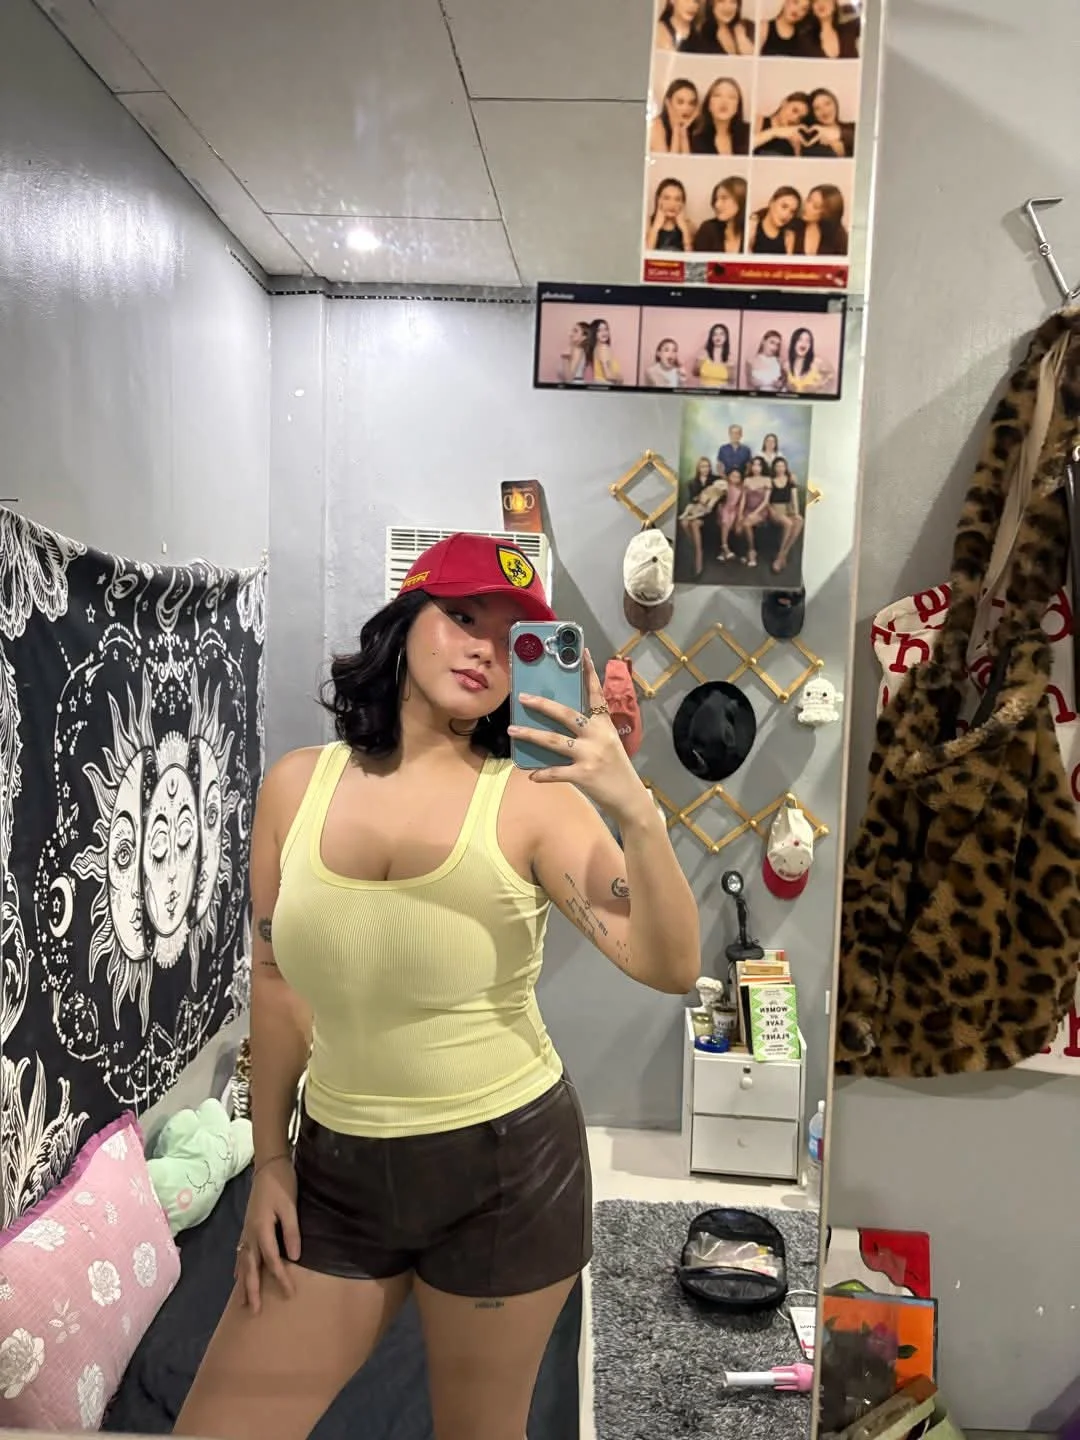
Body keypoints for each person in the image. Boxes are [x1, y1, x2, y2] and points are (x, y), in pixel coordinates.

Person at [174, 533, 701, 1440]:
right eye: (461, 617)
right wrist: (269, 1163)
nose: (483, 650)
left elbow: (669, 963)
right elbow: (275, 980)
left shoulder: (535, 801)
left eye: (509, 639)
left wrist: (635, 811)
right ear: (404, 621)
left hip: (505, 1173)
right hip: (335, 1171)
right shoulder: (296, 788)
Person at [689, 77, 750, 156]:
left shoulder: (747, 133)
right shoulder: (695, 135)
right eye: (717, 95)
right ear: (709, 104)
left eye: (731, 97)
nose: (724, 101)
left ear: (737, 107)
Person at [692, 176, 747, 254]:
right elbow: (696, 261)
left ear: (741, 200)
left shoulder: (749, 230)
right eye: (716, 199)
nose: (717, 205)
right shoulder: (708, 229)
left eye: (724, 198)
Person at [768, 457, 804, 573]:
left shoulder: (790, 480)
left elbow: (794, 498)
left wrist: (796, 513)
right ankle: (780, 557)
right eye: (777, 466)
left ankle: (783, 553)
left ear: (786, 467)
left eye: (782, 466)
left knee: (799, 521)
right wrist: (771, 510)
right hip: (775, 509)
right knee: (788, 523)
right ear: (774, 468)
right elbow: (766, 500)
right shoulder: (771, 481)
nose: (780, 468)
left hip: (788, 508)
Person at [794, 184, 849, 256]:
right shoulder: (794, 228)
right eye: (808, 200)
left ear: (827, 214)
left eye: (815, 206)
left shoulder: (839, 238)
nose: (807, 206)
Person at [737, 458, 773, 569]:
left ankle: (751, 551)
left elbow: (766, 501)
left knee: (746, 524)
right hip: (747, 509)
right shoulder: (747, 480)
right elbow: (743, 499)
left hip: (761, 511)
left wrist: (755, 513)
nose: (756, 468)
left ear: (762, 467)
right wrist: (740, 514)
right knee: (739, 526)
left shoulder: (767, 480)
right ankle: (743, 551)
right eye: (754, 465)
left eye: (759, 465)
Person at [684, 0, 756, 54]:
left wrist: (741, 36)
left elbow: (753, 63)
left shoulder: (746, 27)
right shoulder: (702, 33)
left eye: (733, 1)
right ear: (711, 4)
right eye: (721, 1)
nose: (728, 7)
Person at [649, 78, 699, 154]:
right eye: (680, 102)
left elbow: (686, 160)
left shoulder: (696, 128)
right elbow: (670, 160)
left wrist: (683, 131)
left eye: (691, 103)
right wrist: (676, 129)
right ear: (668, 103)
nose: (686, 108)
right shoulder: (656, 125)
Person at [801, 88, 856, 158]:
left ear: (835, 103)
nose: (824, 110)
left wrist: (838, 134)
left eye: (827, 103)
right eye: (817, 108)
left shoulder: (853, 127)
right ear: (813, 114)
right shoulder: (813, 136)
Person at [753, 91, 811, 156]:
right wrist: (774, 132)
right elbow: (745, 147)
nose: (795, 118)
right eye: (794, 110)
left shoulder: (795, 136)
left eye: (800, 118)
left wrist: (797, 150)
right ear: (784, 103)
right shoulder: (758, 120)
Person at [747, 187, 801, 255]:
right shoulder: (752, 226)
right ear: (771, 202)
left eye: (792, 212)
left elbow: (788, 261)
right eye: (784, 206)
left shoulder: (788, 236)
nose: (787, 215)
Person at [645, 178, 694, 252]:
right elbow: (645, 254)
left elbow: (690, 257)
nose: (672, 204)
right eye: (666, 198)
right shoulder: (647, 223)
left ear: (682, 203)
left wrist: (684, 230)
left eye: (677, 199)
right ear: (658, 200)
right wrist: (656, 227)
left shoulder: (690, 225)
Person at [784, 326, 836, 393]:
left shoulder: (818, 362)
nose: (804, 343)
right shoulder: (786, 365)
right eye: (800, 339)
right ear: (793, 342)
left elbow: (832, 379)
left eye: (808, 341)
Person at [716, 467, 745, 561]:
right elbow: (719, 498)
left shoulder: (741, 488)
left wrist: (739, 515)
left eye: (738, 477)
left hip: (734, 509)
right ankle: (725, 546)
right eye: (733, 476)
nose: (735, 478)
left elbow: (741, 502)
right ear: (728, 476)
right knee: (725, 522)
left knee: (732, 522)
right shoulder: (725, 485)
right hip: (725, 508)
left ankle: (723, 551)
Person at [692, 323, 733, 388]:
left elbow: (732, 380)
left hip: (722, 390)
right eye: (715, 334)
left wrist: (730, 367)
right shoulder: (703, 353)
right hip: (704, 389)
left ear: (726, 337)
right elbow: (695, 373)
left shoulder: (730, 357)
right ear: (711, 337)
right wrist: (699, 362)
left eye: (721, 334)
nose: (718, 337)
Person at [588, 318, 624, 385]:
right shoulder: (603, 348)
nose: (604, 333)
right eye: (599, 330)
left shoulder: (596, 348)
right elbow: (608, 375)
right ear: (594, 333)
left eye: (606, 329)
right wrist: (620, 378)